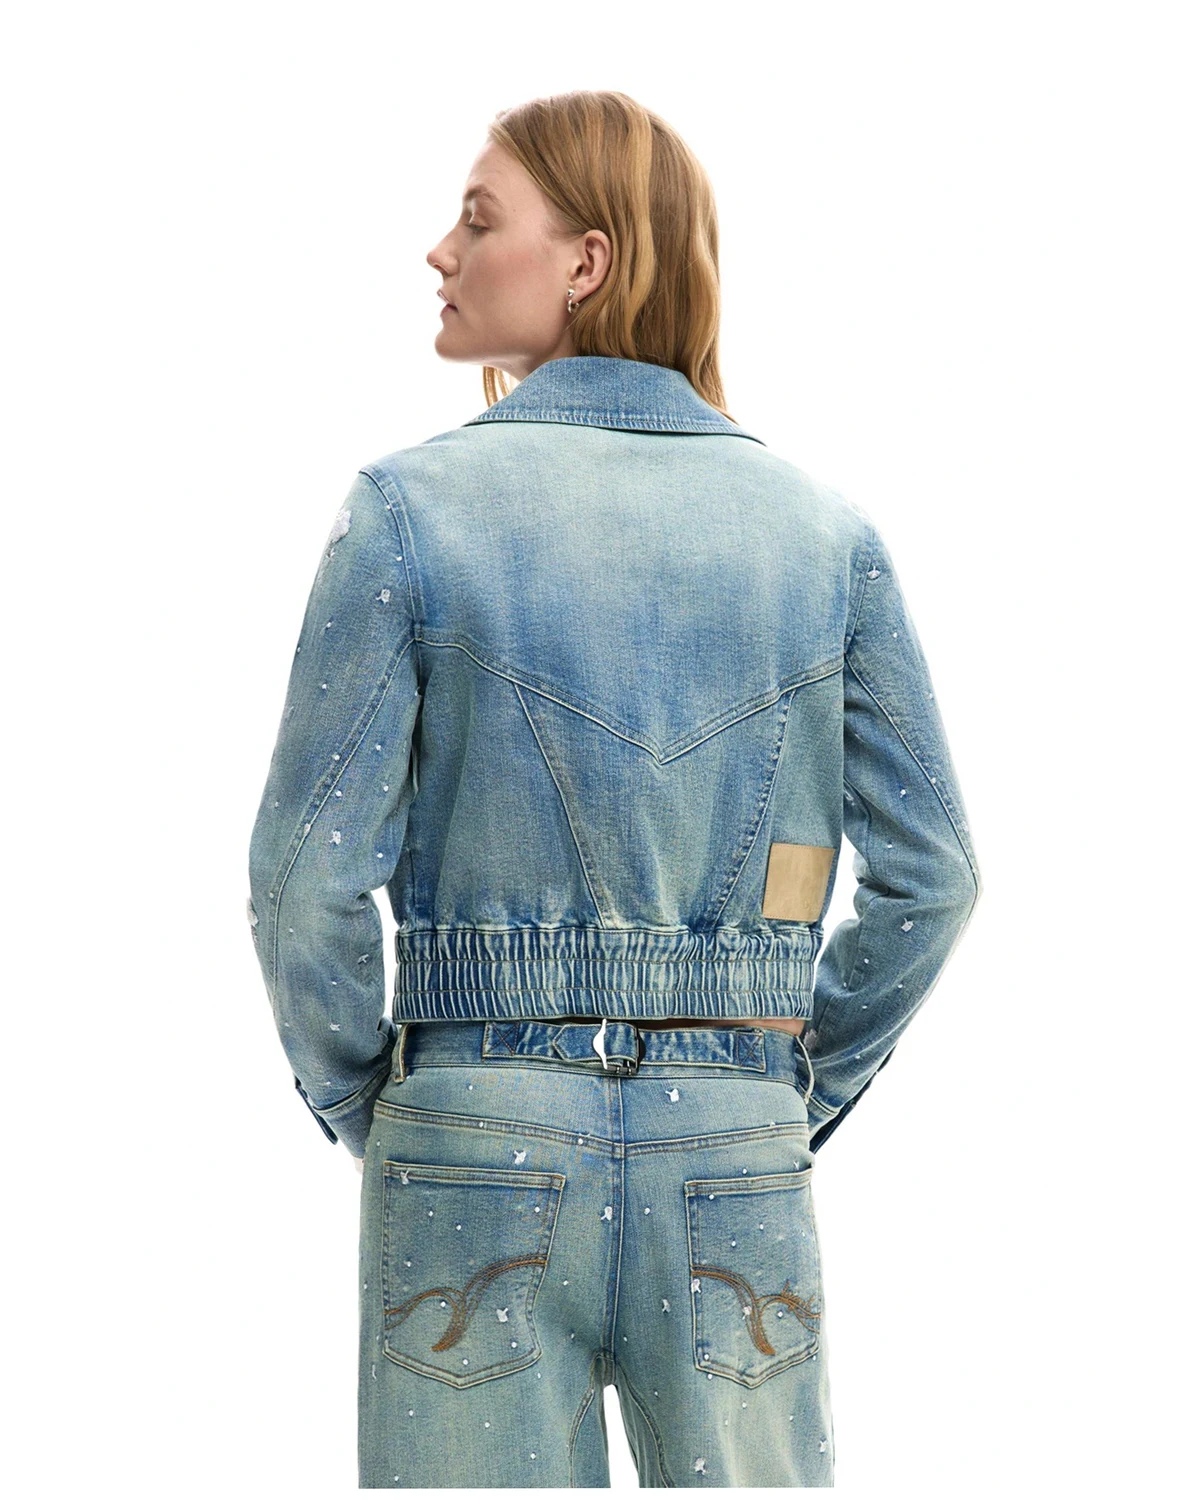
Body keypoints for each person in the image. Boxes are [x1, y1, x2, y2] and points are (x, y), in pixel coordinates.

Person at [246, 89, 982, 1490]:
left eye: (479, 219)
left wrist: (381, 1109)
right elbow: (934, 877)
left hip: (472, 1134)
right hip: (734, 1144)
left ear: (587, 260)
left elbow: (304, 880)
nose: (440, 251)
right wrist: (782, 1089)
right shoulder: (825, 536)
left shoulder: (407, 512)